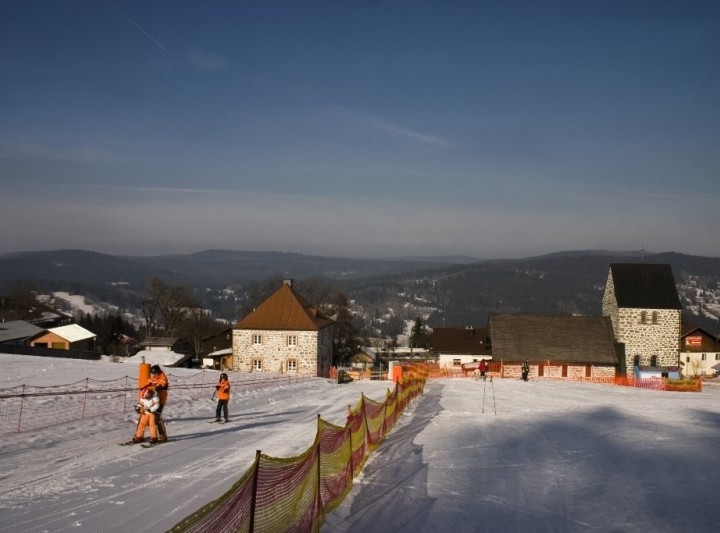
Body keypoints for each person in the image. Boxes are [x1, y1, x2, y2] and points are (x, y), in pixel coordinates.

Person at [148, 365, 169, 441]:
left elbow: (160, 386)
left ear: (158, 372)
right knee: (151, 417)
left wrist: (153, 387)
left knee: (157, 416)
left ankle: (163, 434)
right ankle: (154, 434)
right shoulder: (153, 377)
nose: (154, 375)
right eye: (153, 373)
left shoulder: (163, 378)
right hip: (154, 399)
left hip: (161, 400)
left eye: (155, 373)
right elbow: (149, 384)